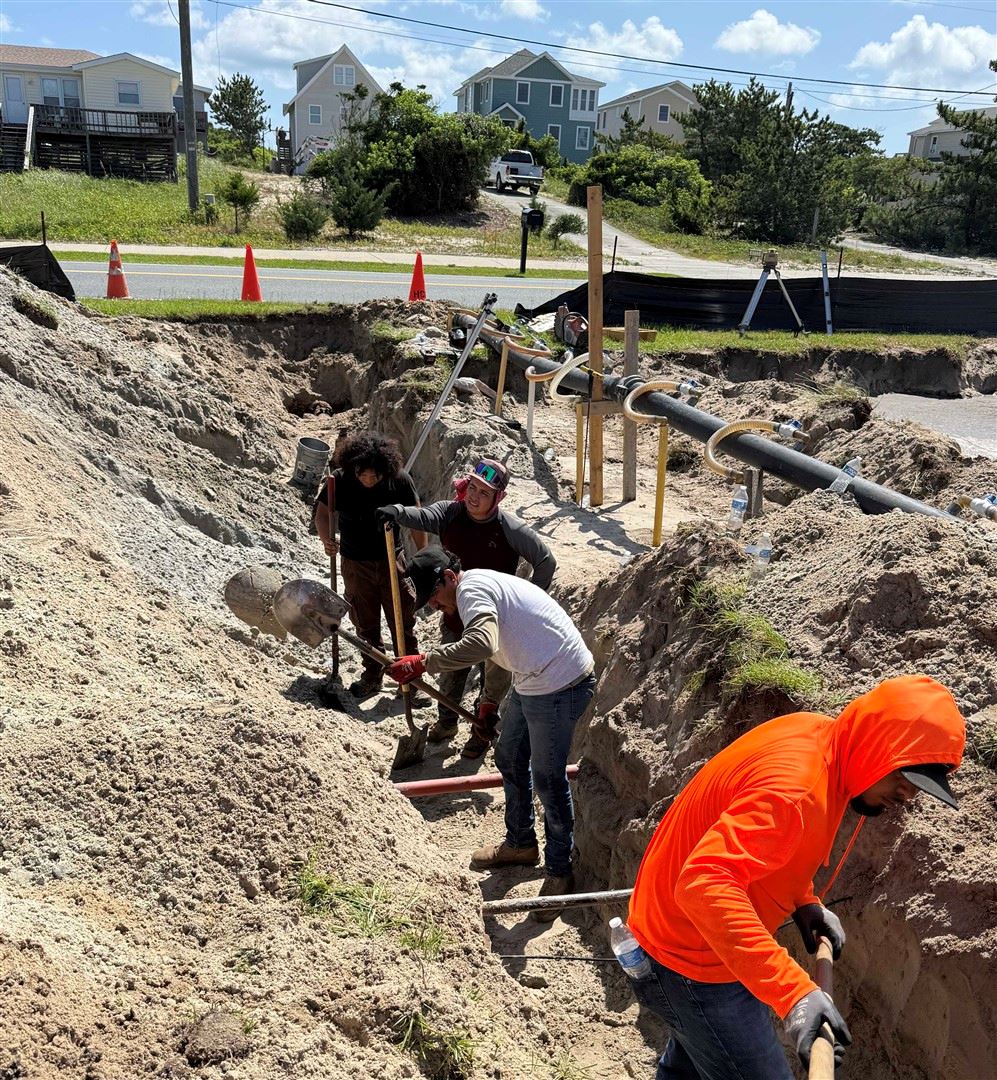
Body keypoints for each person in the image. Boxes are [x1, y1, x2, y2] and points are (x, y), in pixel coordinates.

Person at [624, 674, 966, 1080]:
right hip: (691, 961)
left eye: (919, 786)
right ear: (877, 748)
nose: (908, 795)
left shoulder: (821, 741)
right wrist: (795, 994)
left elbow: (775, 849)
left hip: (683, 942)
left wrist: (804, 901)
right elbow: (704, 884)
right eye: (904, 777)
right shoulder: (797, 790)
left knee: (693, 1065)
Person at [384, 546, 595, 920]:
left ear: (449, 577)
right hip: (535, 678)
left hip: (561, 683)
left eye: (433, 595)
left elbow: (483, 643)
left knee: (548, 779)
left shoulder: (471, 591)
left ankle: (560, 871)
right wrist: (489, 702)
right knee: (509, 755)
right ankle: (521, 843)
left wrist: (425, 662)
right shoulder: (477, 590)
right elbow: (500, 648)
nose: (434, 605)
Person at [376, 457, 556, 758]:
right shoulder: (451, 513)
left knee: (491, 683)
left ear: (498, 498)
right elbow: (424, 516)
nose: (474, 496)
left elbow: (545, 561)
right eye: (472, 487)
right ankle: (447, 724)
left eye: (484, 493)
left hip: (495, 623)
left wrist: (528, 602)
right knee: (451, 674)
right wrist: (397, 512)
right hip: (455, 616)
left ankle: (479, 734)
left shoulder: (509, 528)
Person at [313, 432, 427, 698]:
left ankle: (411, 680)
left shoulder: (399, 480)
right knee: (365, 624)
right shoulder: (340, 480)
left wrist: (422, 555)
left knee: (402, 621)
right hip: (355, 564)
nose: (367, 480)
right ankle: (373, 674)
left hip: (391, 562)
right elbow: (322, 513)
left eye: (373, 476)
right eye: (362, 475)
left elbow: (416, 518)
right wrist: (326, 539)